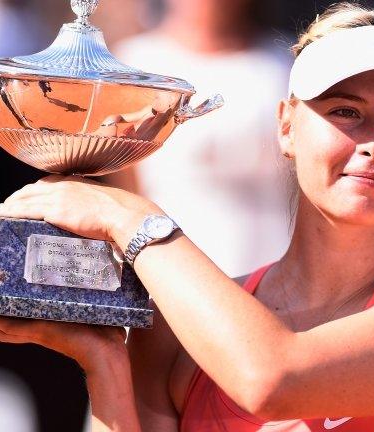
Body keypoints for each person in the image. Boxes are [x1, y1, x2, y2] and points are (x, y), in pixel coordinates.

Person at [0, 4, 374, 431]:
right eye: (344, 112)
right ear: (285, 126)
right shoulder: (181, 332)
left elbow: (272, 378)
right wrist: (104, 360)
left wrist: (130, 218)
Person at [112, 0, 292, 277]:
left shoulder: (284, 62)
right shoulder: (133, 61)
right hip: (168, 271)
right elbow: (125, 181)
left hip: (273, 262)